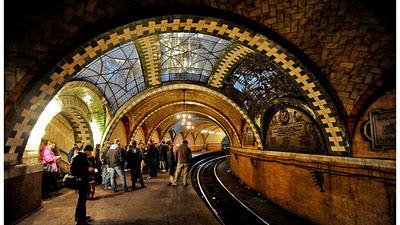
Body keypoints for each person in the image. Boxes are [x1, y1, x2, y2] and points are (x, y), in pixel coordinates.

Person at [71, 144, 94, 225]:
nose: (91, 153)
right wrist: (87, 169)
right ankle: (80, 220)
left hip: (85, 181)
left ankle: (81, 216)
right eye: (90, 151)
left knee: (83, 200)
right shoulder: (79, 158)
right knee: (81, 200)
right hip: (81, 182)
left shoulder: (85, 157)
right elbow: (74, 170)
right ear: (87, 151)